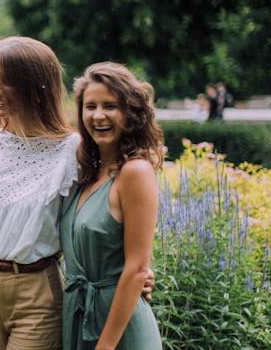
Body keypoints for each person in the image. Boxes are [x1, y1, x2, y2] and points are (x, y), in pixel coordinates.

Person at [0, 36, 79, 350]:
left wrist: (135, 266)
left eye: (5, 81)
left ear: (35, 87)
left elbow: (99, 211)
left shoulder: (71, 152)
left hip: (36, 289)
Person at [62, 61, 164, 349]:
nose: (98, 116)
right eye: (90, 106)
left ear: (130, 113)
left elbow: (136, 269)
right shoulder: (87, 173)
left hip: (118, 328)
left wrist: (105, 346)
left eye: (110, 106)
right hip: (78, 314)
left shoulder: (135, 172)